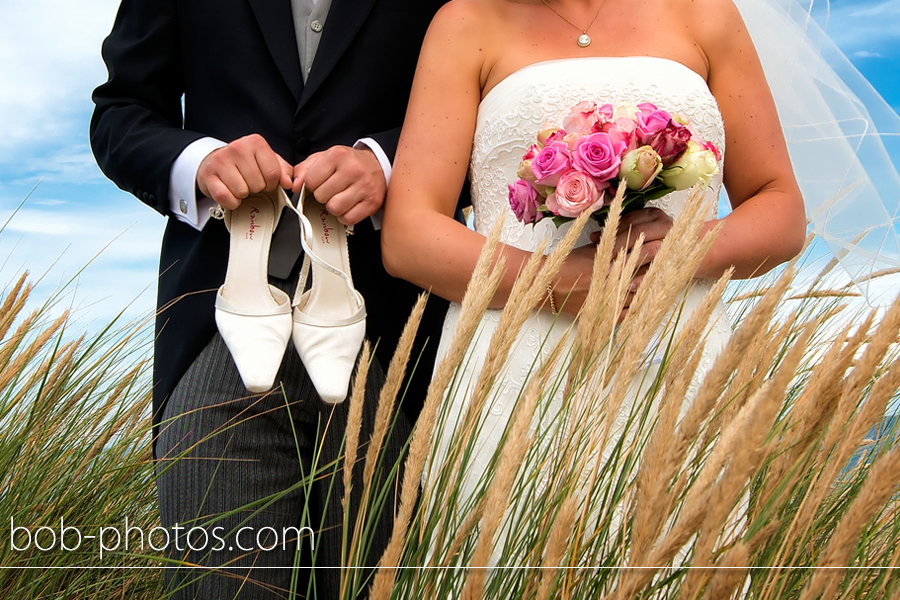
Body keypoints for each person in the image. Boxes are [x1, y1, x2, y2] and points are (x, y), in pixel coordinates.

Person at [380, 0, 807, 567]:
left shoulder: (705, 13)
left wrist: (685, 250)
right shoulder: (465, 23)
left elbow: (781, 209)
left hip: (675, 353)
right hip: (514, 365)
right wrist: (557, 280)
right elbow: (408, 234)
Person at [90, 0, 449, 597]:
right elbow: (120, 114)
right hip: (213, 326)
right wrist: (201, 162)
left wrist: (389, 165)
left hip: (396, 336)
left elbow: (494, 112)